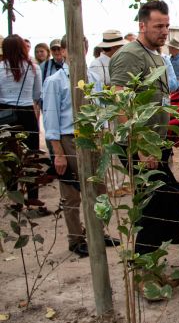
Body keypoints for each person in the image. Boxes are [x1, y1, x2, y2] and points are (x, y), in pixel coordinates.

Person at [43, 35, 119, 257]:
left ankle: (99, 232)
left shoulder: (93, 78)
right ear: (63, 51)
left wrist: (103, 135)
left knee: (98, 188)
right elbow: (51, 121)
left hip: (93, 138)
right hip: (69, 139)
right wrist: (58, 152)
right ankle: (76, 239)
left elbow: (102, 110)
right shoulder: (55, 81)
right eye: (73, 47)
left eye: (82, 47)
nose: (78, 51)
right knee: (72, 193)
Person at [109, 0, 171, 170]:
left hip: (155, 143)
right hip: (139, 146)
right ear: (142, 26)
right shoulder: (130, 55)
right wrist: (140, 146)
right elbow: (120, 102)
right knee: (169, 195)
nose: (165, 31)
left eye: (167, 26)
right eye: (158, 26)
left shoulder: (155, 54)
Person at [0, 34, 44, 211]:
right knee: (31, 157)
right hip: (27, 113)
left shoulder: (1, 67)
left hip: (5, 114)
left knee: (9, 159)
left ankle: (14, 200)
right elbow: (36, 94)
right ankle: (32, 199)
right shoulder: (33, 68)